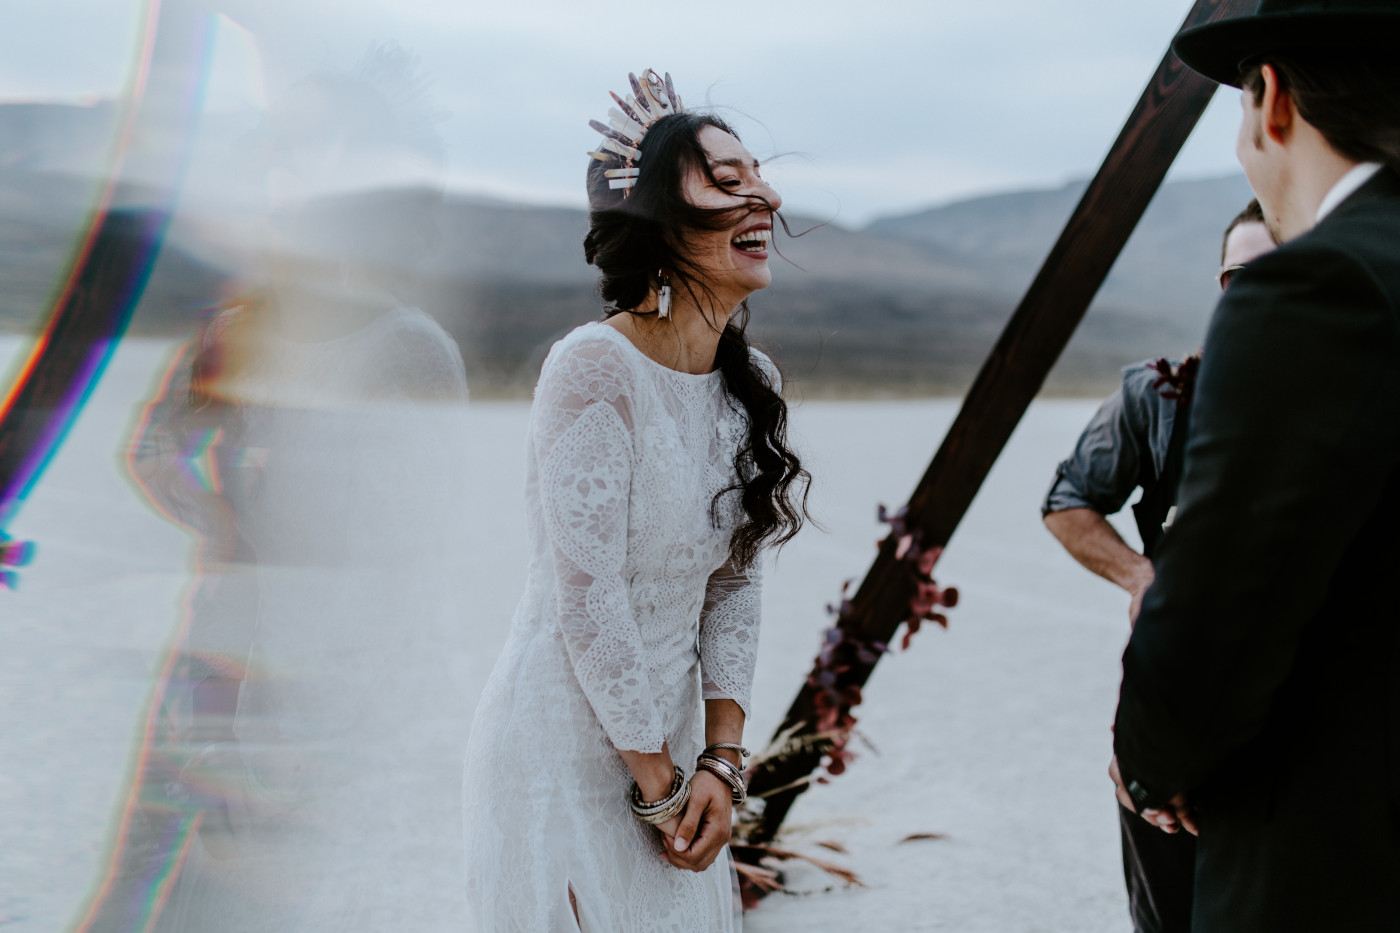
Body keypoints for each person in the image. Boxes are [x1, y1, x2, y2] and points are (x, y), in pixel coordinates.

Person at [461, 69, 809, 932]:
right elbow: (590, 594)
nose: (761, 193)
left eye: (757, 173)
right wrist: (658, 787)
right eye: (726, 181)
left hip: (682, 757)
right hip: (562, 745)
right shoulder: (593, 367)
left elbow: (735, 586)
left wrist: (721, 766)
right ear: (660, 220)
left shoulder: (751, 382)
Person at [1110, 3, 1400, 930]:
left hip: (1340, 848)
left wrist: (1154, 763)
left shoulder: (1316, 286)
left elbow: (1218, 609)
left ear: (1269, 97)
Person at [1043, 201, 1275, 933]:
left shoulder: (1360, 393)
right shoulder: (1159, 397)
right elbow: (1068, 499)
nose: (1264, 291)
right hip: (1175, 697)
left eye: (1286, 270)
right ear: (1220, 282)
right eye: (1244, 275)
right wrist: (1141, 576)